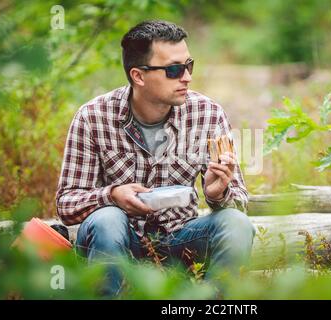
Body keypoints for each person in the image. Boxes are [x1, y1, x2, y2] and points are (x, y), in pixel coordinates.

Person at [55, 20, 255, 297]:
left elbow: (241, 203)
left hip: (180, 239)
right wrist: (112, 196)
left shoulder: (207, 114)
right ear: (138, 76)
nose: (186, 77)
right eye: (174, 70)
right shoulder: (93, 117)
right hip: (119, 243)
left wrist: (217, 193)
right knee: (108, 219)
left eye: (189, 66)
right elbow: (66, 203)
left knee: (236, 223)